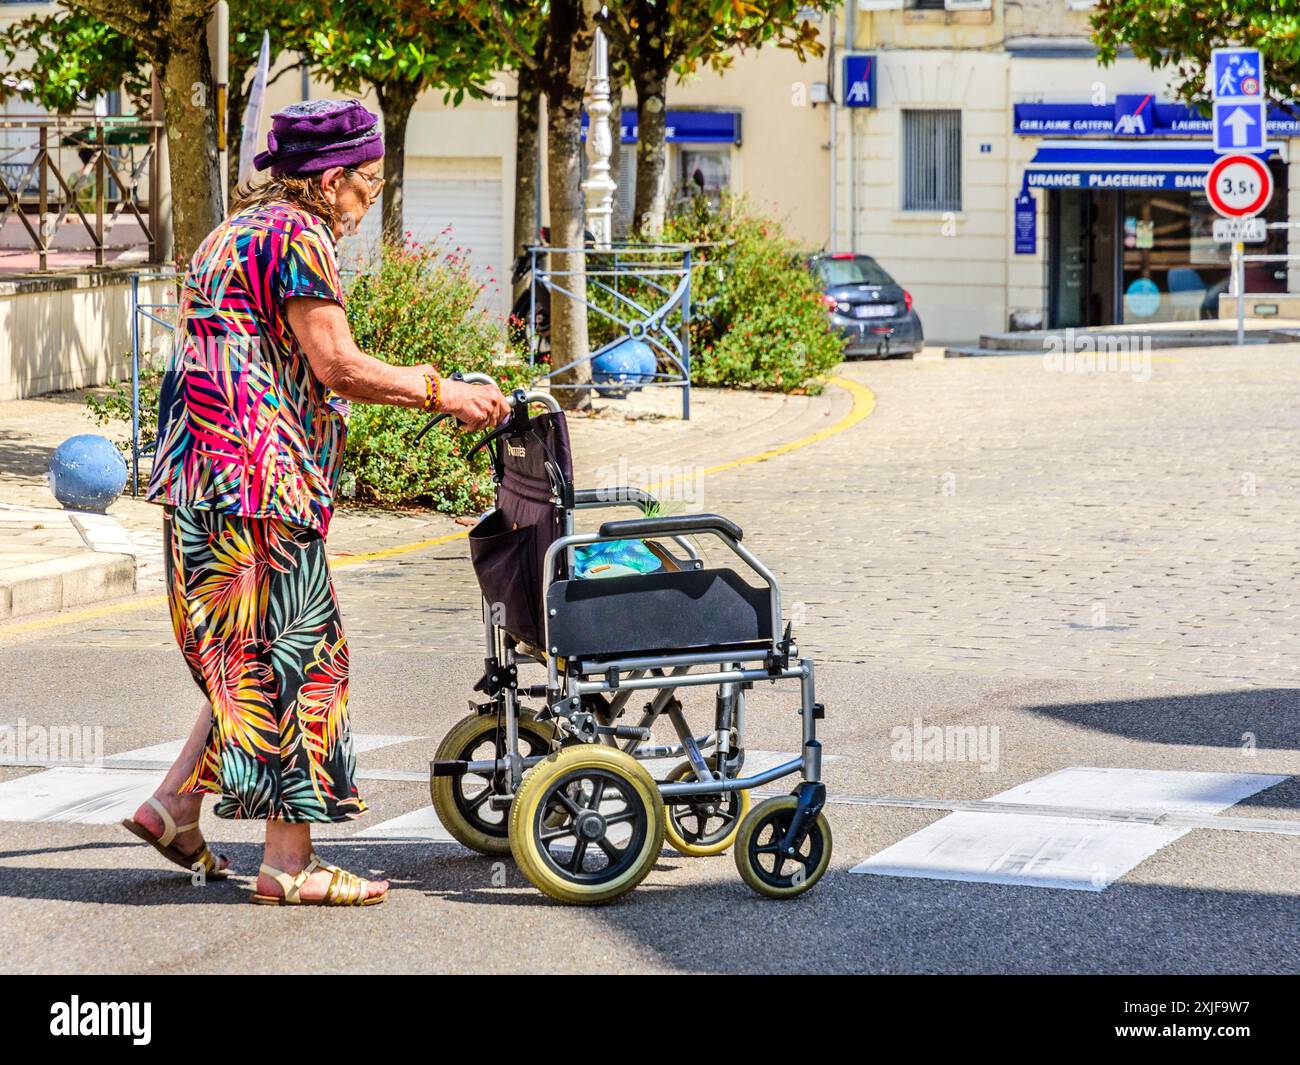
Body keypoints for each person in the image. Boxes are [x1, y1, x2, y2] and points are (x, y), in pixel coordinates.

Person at [119, 99, 510, 906]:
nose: (367, 205)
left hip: (199, 476)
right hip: (258, 478)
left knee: (244, 653)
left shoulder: (233, 230)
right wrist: (448, 391)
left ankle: (174, 805)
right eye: (367, 185)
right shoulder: (300, 238)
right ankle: (288, 864)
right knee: (300, 661)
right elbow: (337, 363)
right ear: (331, 180)